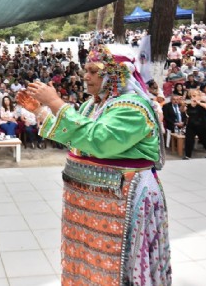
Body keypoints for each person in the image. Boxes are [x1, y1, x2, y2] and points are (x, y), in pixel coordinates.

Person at [27, 47, 171, 285]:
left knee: (118, 263)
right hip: (92, 203)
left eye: (94, 71)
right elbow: (78, 138)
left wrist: (55, 102)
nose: (86, 76)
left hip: (123, 198)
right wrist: (42, 111)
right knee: (89, 260)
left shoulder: (132, 107)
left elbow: (100, 140)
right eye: (86, 70)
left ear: (117, 74)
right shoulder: (92, 106)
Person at [183, 89, 206, 159]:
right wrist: (183, 107)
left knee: (205, 140)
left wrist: (199, 103)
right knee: (189, 140)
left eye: (194, 95)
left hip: (202, 124)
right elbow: (182, 111)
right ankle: (187, 155)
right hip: (191, 125)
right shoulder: (188, 104)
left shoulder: (202, 102)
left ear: (199, 96)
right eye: (191, 96)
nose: (192, 97)